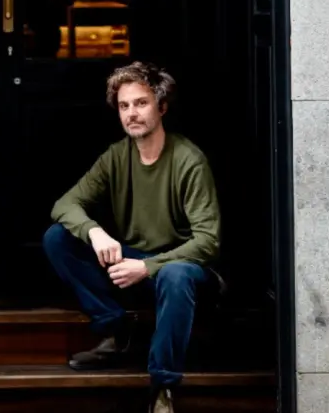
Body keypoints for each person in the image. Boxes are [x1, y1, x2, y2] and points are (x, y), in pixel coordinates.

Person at [43, 61, 222, 413]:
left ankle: (162, 387)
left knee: (175, 274)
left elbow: (208, 241)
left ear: (162, 107)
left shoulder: (189, 160)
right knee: (58, 238)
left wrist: (147, 267)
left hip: (183, 271)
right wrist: (95, 232)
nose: (132, 113)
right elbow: (65, 204)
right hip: (133, 266)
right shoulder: (116, 156)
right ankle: (116, 329)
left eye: (141, 103)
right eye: (124, 106)